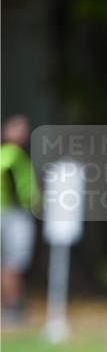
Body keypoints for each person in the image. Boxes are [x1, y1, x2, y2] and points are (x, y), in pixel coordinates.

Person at [1, 115, 39, 323]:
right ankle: (12, 306)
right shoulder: (13, 155)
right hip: (13, 214)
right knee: (12, 262)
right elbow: (19, 187)